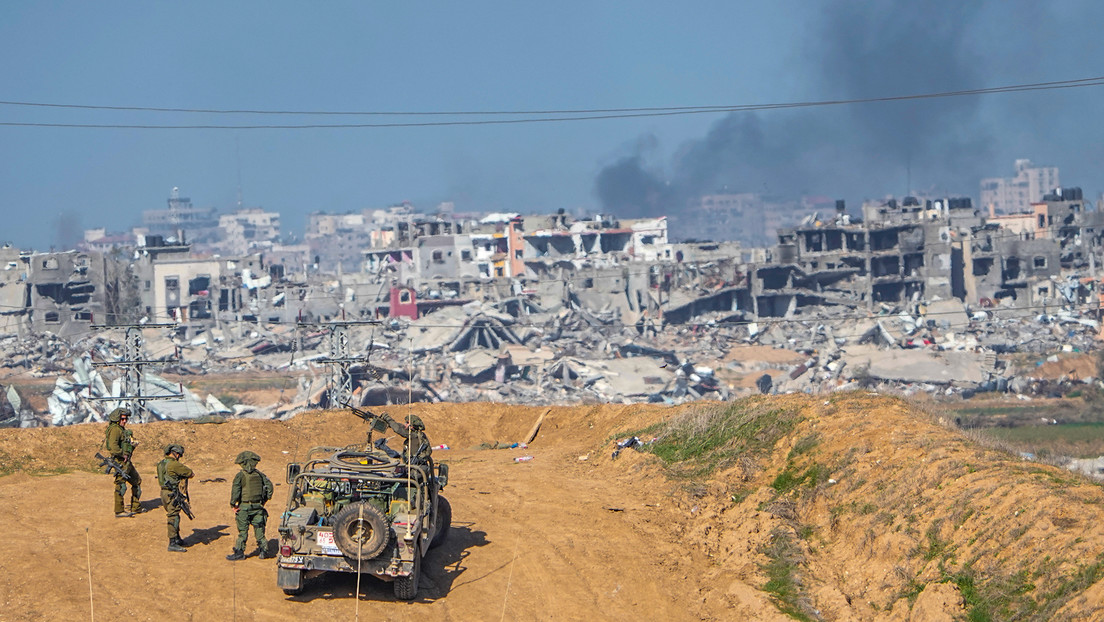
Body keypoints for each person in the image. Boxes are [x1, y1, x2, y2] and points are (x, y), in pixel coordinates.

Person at [227, 450, 274, 561]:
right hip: (258, 508)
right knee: (259, 530)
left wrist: (233, 504)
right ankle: (264, 551)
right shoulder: (260, 475)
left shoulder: (240, 476)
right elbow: (270, 488)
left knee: (243, 532)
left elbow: (236, 491)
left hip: (244, 507)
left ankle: (239, 553)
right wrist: (263, 501)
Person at [103, 407, 142, 517]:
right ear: (117, 419)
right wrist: (122, 454)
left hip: (127, 462)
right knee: (121, 485)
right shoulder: (115, 430)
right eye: (123, 419)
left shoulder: (121, 430)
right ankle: (119, 510)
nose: (125, 421)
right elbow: (113, 447)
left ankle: (136, 507)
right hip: (120, 462)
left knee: (137, 481)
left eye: (126, 419)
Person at [157, 444, 194, 553]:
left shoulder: (161, 464)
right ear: (176, 453)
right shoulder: (174, 464)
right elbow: (190, 473)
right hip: (172, 494)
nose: (179, 457)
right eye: (179, 455)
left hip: (164, 493)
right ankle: (172, 543)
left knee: (174, 515)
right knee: (173, 517)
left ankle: (177, 539)